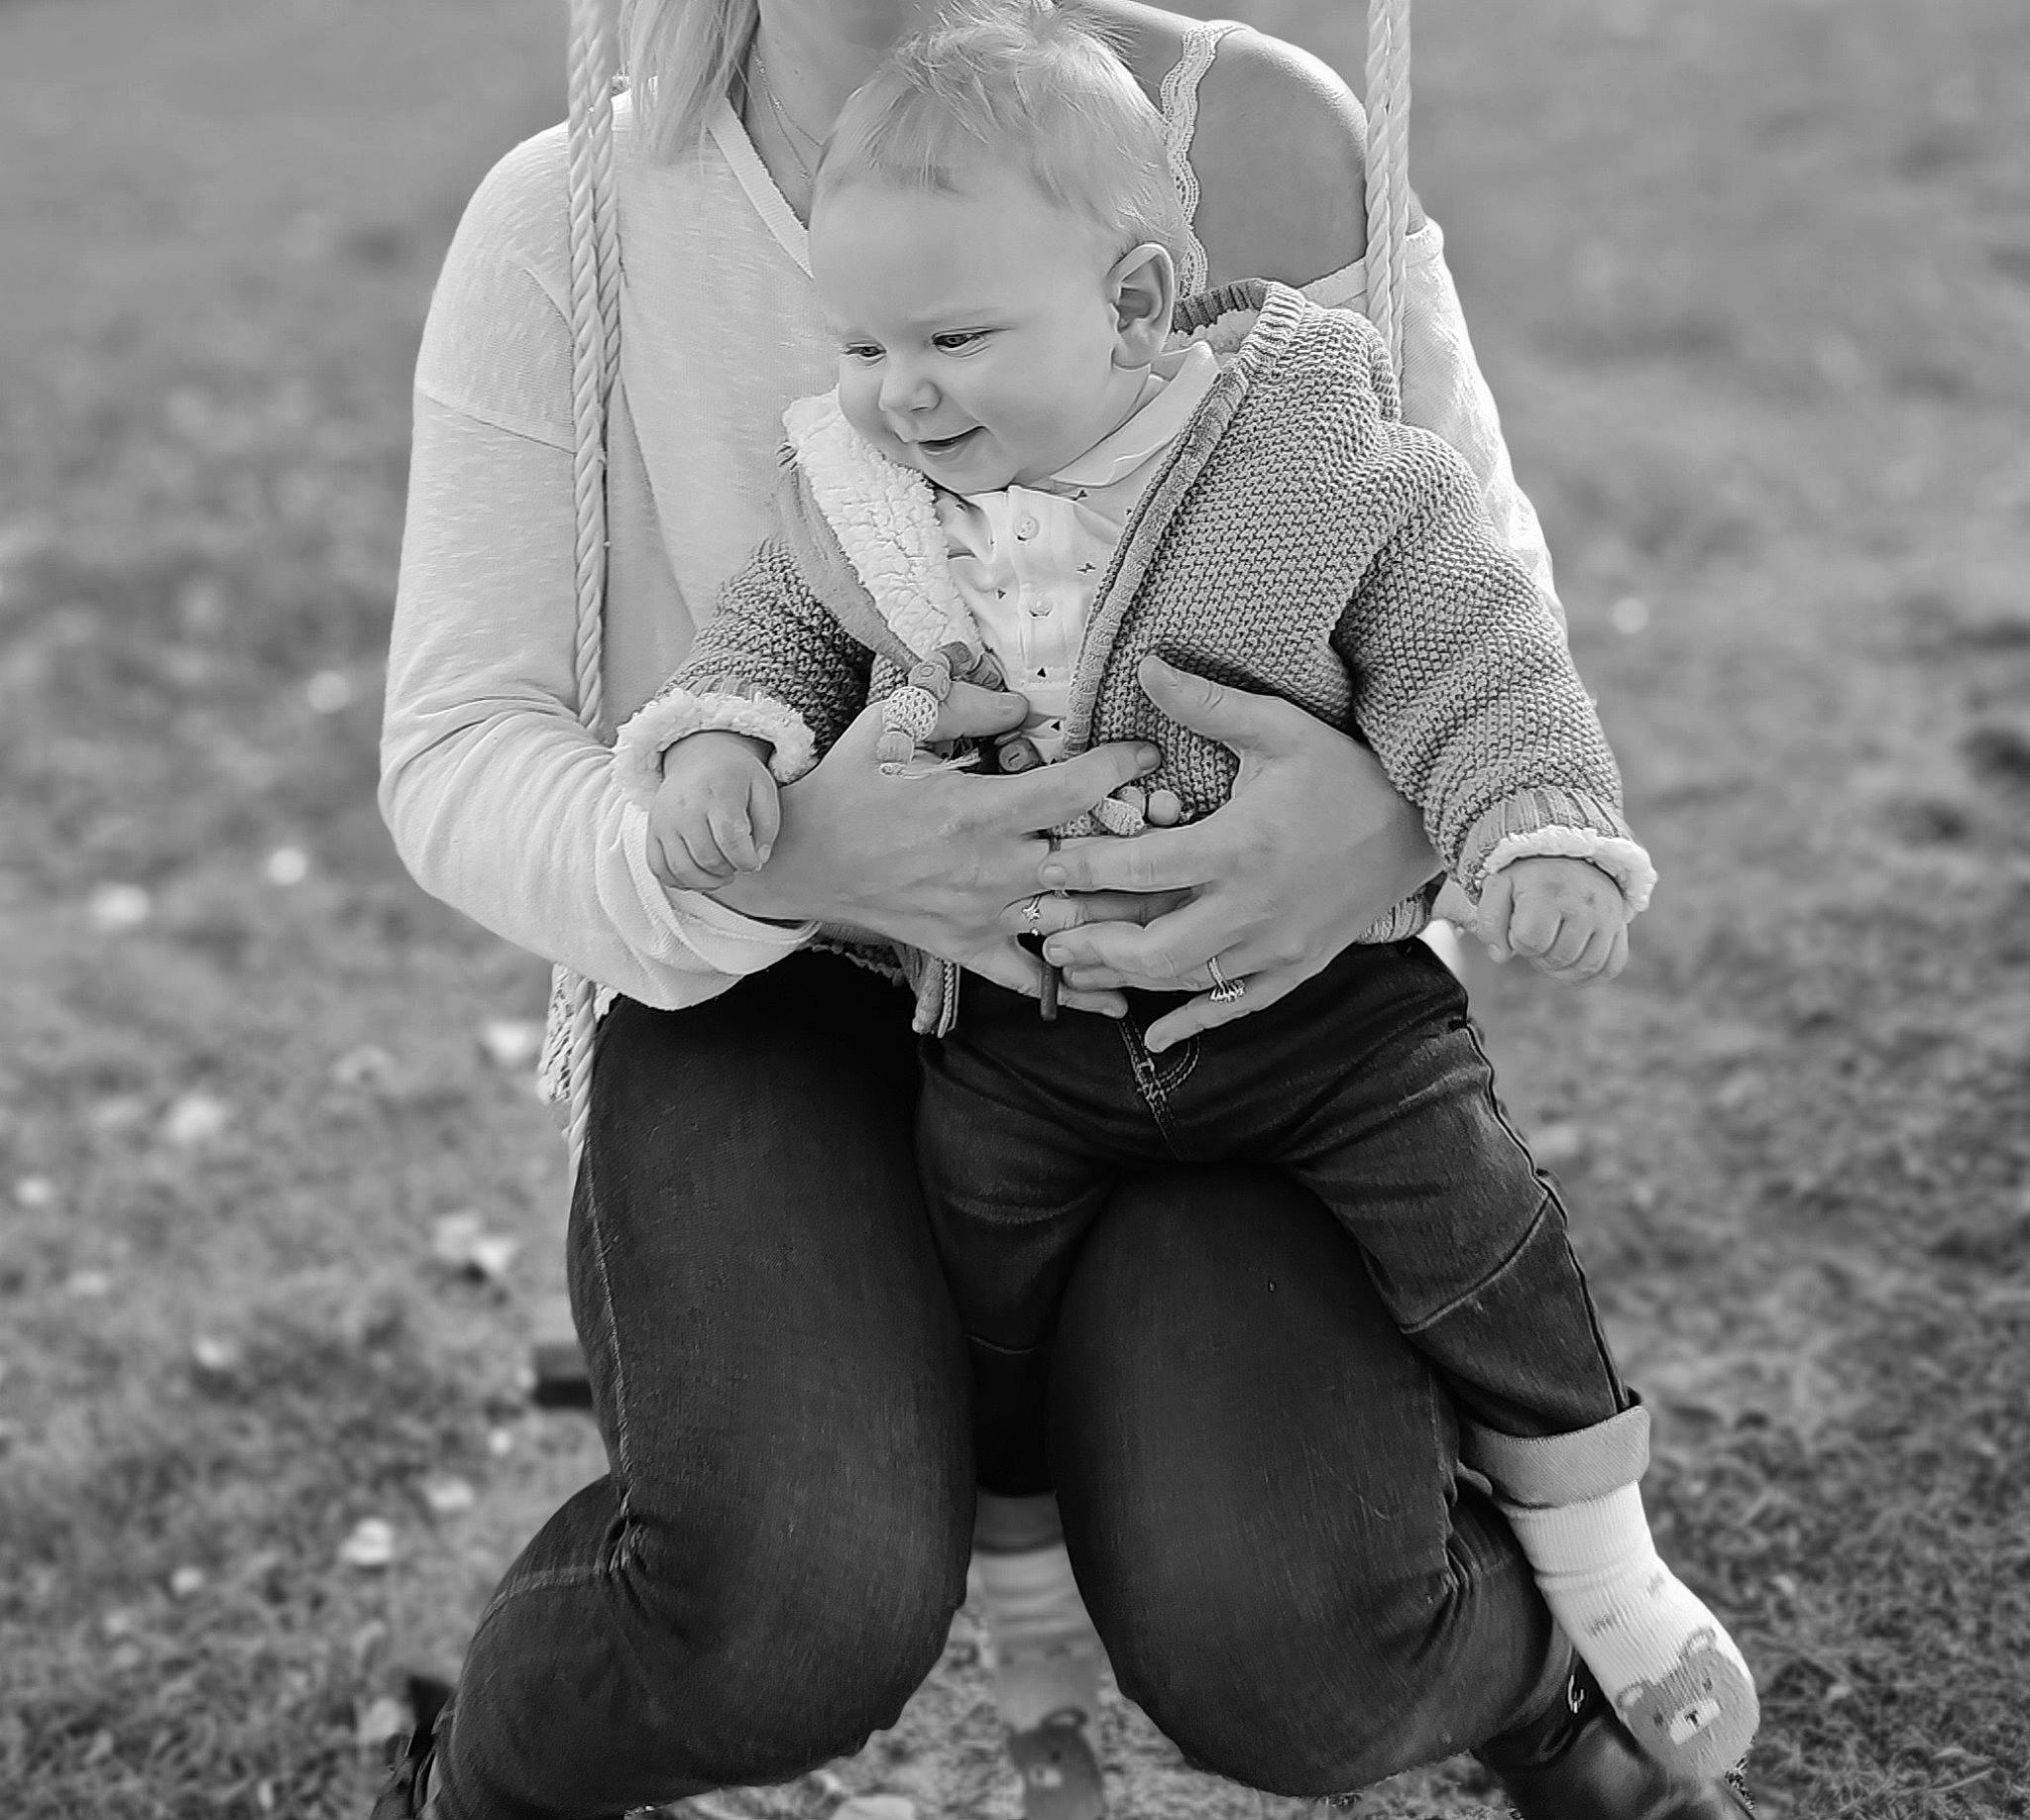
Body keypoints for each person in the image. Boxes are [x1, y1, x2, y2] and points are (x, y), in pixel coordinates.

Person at [374, 1, 1757, 1816]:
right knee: (790, 1609)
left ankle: (1546, 1659)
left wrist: (1379, 830)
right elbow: (457, 751)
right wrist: (790, 853)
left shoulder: (1245, 128)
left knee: (1300, 1647)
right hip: (773, 990)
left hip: (1198, 997)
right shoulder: (575, 212)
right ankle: (477, 1772)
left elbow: (1465, 600)